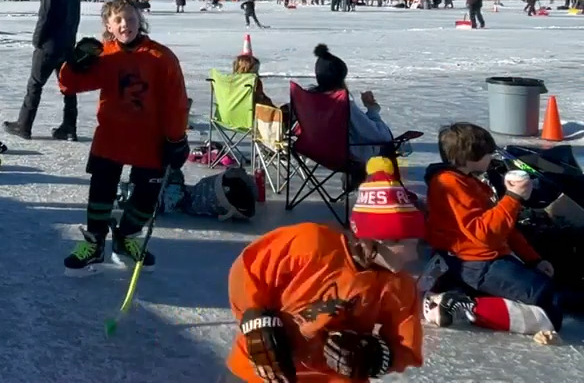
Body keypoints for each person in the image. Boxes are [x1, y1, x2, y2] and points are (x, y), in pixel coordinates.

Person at [225, 157, 426, 382]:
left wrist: (377, 356)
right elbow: (248, 268)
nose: (414, 256)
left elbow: (406, 346)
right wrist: (255, 319)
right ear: (374, 240)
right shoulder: (312, 243)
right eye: (407, 245)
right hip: (262, 372)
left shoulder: (400, 285)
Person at [57, 0, 189, 274]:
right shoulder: (106, 55)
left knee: (146, 195)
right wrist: (74, 63)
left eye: (130, 18)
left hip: (150, 138)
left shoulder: (161, 57)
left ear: (139, 20)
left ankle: (126, 237)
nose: (125, 24)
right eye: (118, 20)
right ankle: (94, 245)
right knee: (101, 189)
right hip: (112, 135)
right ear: (108, 25)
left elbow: (175, 101)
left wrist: (176, 139)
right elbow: (68, 85)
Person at [424, 123, 574, 339]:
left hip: (484, 258)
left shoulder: (469, 182)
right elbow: (484, 233)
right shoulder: (449, 185)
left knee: (551, 289)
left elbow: (506, 228)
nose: (492, 158)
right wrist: (513, 197)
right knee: (550, 308)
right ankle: (464, 307)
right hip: (475, 262)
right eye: (487, 154)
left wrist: (533, 260)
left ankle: (459, 296)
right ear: (469, 157)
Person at [3, 0, 81, 141]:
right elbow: (75, 17)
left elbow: (44, 17)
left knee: (35, 85)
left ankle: (24, 125)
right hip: (67, 44)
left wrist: (37, 41)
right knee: (69, 87)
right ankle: (69, 127)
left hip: (49, 45)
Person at [311, 44, 394, 172]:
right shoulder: (342, 104)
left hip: (318, 152)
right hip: (347, 156)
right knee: (388, 145)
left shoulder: (309, 99)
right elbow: (378, 136)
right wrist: (372, 109)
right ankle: (386, 187)